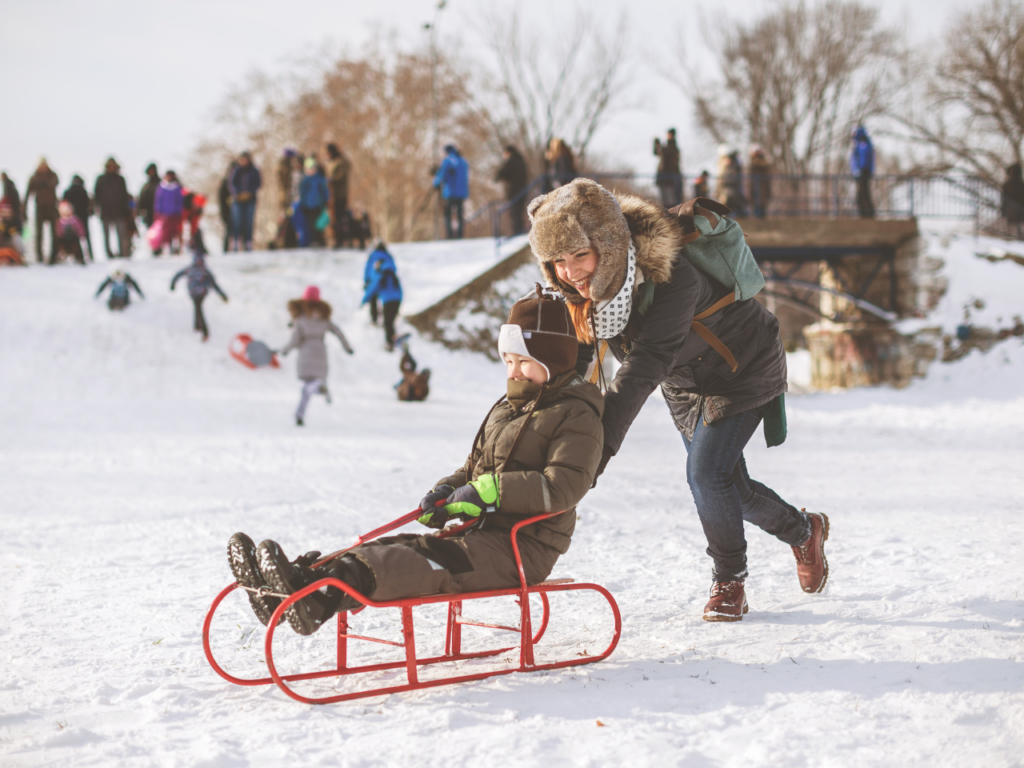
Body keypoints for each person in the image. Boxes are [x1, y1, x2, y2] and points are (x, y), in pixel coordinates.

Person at [527, 178, 829, 622]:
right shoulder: (582, 293)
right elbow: (575, 366)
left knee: (706, 476)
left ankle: (730, 580)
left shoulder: (672, 273)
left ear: (607, 246)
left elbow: (645, 362)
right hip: (685, 382)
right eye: (557, 261)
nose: (571, 272)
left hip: (741, 365)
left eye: (580, 255)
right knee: (732, 488)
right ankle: (805, 531)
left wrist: (596, 454)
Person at [226, 288, 603, 637]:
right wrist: (448, 490)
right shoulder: (507, 409)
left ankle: (319, 596)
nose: (514, 372)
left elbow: (564, 486)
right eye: (508, 360)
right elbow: (473, 469)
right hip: (482, 532)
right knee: (403, 544)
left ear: (553, 360)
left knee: (423, 562)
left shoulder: (576, 414)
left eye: (524, 362)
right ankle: (300, 582)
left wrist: (488, 492)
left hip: (524, 546)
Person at [279, 285, 354, 427]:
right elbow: (338, 332)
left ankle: (301, 411)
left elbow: (294, 340)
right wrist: (347, 347)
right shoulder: (324, 319)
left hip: (306, 355)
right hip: (320, 354)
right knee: (312, 384)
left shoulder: (300, 320)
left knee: (306, 387)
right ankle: (320, 388)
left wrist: (285, 350)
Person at [170, 232, 228, 341]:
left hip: (195, 293)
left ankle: (203, 330)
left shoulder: (191, 268)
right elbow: (214, 284)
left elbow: (177, 275)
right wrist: (222, 295)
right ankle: (198, 327)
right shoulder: (204, 270)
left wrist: (172, 285)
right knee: (197, 309)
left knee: (198, 309)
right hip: (200, 293)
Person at [362, 242, 403, 350]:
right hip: (397, 299)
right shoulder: (390, 268)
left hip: (387, 300)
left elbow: (372, 289)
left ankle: (390, 344)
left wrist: (364, 300)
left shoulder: (378, 272)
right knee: (390, 322)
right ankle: (393, 341)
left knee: (387, 322)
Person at [94, 157, 132, 258]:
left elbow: (124, 195)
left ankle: (122, 252)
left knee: (121, 233)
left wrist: (126, 209)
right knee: (106, 234)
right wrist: (96, 208)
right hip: (106, 210)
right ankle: (108, 252)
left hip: (119, 211)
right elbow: (96, 195)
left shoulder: (120, 179)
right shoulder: (101, 179)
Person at [24, 158, 60, 263]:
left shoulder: (52, 175)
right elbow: (28, 192)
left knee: (55, 233)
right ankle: (39, 256)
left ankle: (53, 255)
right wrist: (24, 208)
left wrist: (45, 182)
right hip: (40, 208)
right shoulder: (34, 177)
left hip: (52, 207)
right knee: (39, 233)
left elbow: (55, 182)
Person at [433, 144, 470, 240]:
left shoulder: (447, 161)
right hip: (462, 193)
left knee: (448, 214)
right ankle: (460, 235)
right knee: (460, 214)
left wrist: (436, 184)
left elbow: (442, 173)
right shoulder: (463, 161)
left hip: (450, 192)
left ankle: (449, 235)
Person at [230, 151, 262, 251]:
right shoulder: (236, 170)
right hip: (238, 200)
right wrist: (238, 193)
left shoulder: (254, 171)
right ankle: (236, 242)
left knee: (249, 222)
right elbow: (232, 184)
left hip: (250, 200)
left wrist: (249, 193)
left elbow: (258, 183)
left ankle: (248, 242)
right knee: (237, 221)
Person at [495, 145, 529, 235]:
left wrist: (497, 177)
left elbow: (504, 172)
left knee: (515, 213)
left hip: (514, 191)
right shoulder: (520, 160)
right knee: (519, 212)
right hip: (522, 190)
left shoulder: (512, 160)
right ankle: (520, 231)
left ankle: (517, 232)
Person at [297, 157, 329, 248]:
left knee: (318, 224)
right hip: (308, 205)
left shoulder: (319, 179)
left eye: (313, 168)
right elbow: (302, 193)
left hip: (318, 205)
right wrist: (303, 203)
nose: (312, 171)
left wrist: (326, 201)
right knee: (310, 224)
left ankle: (319, 240)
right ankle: (313, 240)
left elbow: (324, 191)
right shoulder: (305, 180)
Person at [324, 143, 350, 248]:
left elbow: (341, 177)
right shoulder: (331, 163)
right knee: (333, 219)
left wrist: (331, 180)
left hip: (340, 196)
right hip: (332, 196)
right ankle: (336, 239)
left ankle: (341, 240)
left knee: (339, 218)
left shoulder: (340, 162)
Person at [62, 175, 93, 261]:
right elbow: (89, 205)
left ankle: (77, 256)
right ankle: (90, 255)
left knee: (72, 237)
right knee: (86, 236)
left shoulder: (67, 192)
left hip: (70, 218)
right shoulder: (84, 192)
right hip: (83, 217)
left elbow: (63, 204)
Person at [153, 170, 184, 255]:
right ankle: (167, 247)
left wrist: (179, 211)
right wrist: (158, 212)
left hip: (175, 214)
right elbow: (159, 200)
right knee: (166, 232)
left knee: (175, 232)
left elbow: (179, 201)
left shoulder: (177, 188)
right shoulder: (162, 187)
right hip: (165, 214)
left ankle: (176, 247)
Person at [850, 125, 875, 219]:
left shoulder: (863, 143)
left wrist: (860, 170)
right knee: (861, 195)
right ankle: (864, 214)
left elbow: (863, 158)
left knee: (863, 194)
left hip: (863, 172)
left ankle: (867, 215)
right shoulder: (860, 143)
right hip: (860, 171)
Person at [654, 128, 683, 209]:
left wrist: (660, 146)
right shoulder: (666, 147)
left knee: (670, 200)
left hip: (670, 177)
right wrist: (656, 144)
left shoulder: (673, 147)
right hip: (662, 177)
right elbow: (656, 152)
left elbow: (667, 152)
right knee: (663, 200)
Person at [1000, 162, 1024, 238]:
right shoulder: (1021, 184)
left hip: (1012, 212)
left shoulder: (1006, 185)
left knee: (1013, 232)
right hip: (1018, 212)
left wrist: (1003, 211)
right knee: (1016, 231)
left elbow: (1004, 200)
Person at [748, 146, 772, 219]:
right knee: (759, 208)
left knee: (759, 209)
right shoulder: (763, 163)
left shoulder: (757, 163)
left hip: (759, 189)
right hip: (758, 189)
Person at [218, 161, 237, 253]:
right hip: (228, 211)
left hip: (236, 209)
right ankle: (226, 250)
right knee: (228, 231)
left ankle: (237, 248)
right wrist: (223, 213)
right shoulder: (226, 182)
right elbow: (221, 199)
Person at [137, 164, 160, 231]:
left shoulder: (161, 184)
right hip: (148, 213)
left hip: (158, 212)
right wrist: (140, 209)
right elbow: (141, 199)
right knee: (150, 231)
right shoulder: (146, 185)